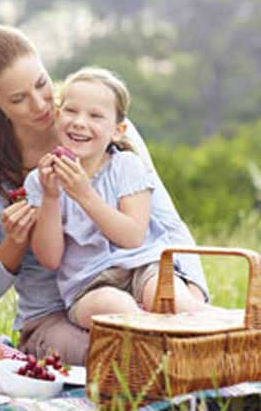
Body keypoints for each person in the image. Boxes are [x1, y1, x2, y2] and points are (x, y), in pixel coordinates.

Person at [0, 25, 208, 364]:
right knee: (129, 359)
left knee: (182, 334)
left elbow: (164, 223)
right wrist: (15, 243)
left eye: (42, 84)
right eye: (18, 99)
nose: (42, 104)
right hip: (55, 314)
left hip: (138, 277)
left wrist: (192, 293)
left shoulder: (101, 126)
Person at [25, 67, 208, 329]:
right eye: (71, 111)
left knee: (174, 301)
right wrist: (51, 197)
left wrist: (84, 194)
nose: (79, 122)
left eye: (95, 115)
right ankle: (156, 342)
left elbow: (132, 237)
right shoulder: (40, 180)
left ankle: (227, 335)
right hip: (89, 284)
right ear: (57, 116)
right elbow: (50, 259)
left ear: (118, 130)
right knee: (117, 310)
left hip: (145, 266)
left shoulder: (126, 166)